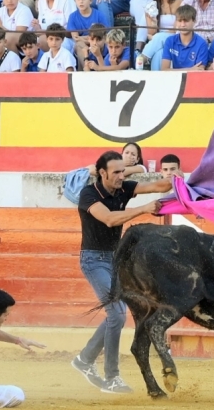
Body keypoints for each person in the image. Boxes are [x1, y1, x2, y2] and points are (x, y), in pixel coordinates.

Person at [71, 151, 173, 394]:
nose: (121, 176)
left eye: (122, 171)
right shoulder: (88, 194)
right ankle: (111, 377)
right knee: (117, 313)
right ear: (102, 173)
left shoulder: (123, 188)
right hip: (94, 260)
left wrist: (177, 179)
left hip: (116, 260)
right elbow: (109, 219)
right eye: (116, 172)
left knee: (115, 315)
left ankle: (84, 360)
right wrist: (144, 209)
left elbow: (157, 185)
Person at [140, 0, 184, 71]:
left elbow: (176, 30)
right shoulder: (151, 6)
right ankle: (156, 81)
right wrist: (154, 23)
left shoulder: (180, 3)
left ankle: (141, 59)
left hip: (176, 38)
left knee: (159, 38)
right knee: (160, 53)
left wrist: (156, 36)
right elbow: (151, 32)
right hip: (159, 43)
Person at [161, 4, 210, 70]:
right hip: (175, 78)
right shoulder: (170, 41)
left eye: (186, 21)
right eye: (180, 21)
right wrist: (190, 69)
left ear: (194, 21)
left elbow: (199, 70)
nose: (183, 25)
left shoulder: (201, 44)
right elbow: (164, 69)